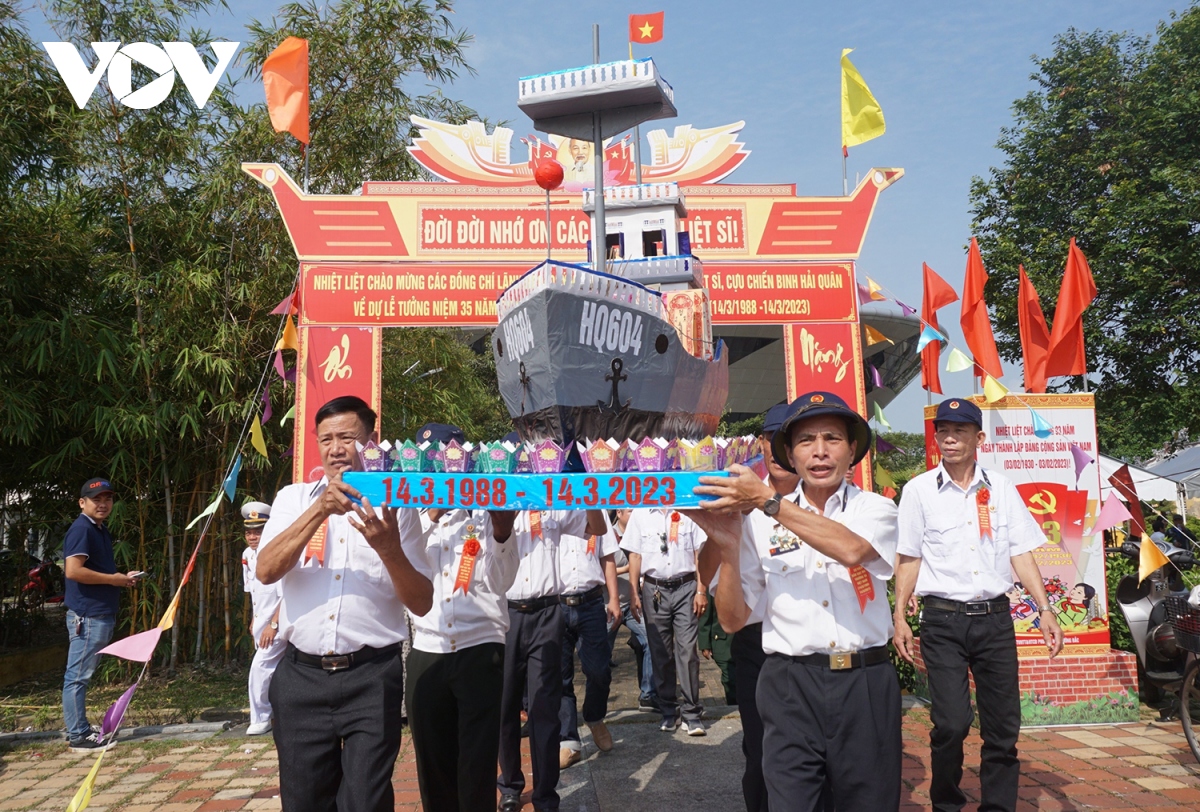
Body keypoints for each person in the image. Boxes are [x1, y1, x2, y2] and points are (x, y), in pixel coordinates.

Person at [690, 391, 904, 811]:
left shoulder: (876, 509)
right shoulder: (759, 522)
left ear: (852, 449)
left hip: (865, 684)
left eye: (832, 439)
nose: (820, 452)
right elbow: (733, 620)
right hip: (789, 686)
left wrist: (767, 503)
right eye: (806, 441)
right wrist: (730, 549)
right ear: (789, 452)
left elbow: (851, 550)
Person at [256, 396, 434, 812]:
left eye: (348, 437)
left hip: (372, 678)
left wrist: (390, 549)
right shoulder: (292, 499)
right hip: (301, 679)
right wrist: (319, 510)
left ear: (371, 441)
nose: (337, 448)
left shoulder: (398, 506)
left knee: (366, 802)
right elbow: (265, 570)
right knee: (303, 802)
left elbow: (422, 603)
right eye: (327, 439)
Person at [893, 397, 1064, 812]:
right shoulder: (918, 491)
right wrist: (899, 614)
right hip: (942, 621)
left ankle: (998, 807)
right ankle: (947, 802)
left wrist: (1045, 609)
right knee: (951, 724)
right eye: (943, 432)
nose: (949, 440)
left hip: (995, 621)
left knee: (1003, 727)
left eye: (960, 431)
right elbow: (909, 556)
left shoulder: (1001, 488)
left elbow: (1021, 553)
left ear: (979, 437)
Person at [404, 422, 519, 812]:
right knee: (433, 767)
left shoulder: (488, 511)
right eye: (433, 463)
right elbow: (402, 568)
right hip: (427, 646)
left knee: (477, 765)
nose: (441, 470)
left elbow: (503, 582)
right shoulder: (411, 515)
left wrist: (503, 533)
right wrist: (433, 512)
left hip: (480, 647)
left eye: (448, 459)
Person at [697, 402, 797, 812]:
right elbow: (704, 571)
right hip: (756, 646)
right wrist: (717, 533)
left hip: (806, 646)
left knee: (810, 757)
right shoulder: (738, 497)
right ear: (762, 442)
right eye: (771, 438)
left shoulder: (818, 506)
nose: (778, 449)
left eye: (788, 439)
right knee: (760, 754)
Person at [498, 507, 606, 812]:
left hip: (547, 613)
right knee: (505, 704)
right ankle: (510, 785)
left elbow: (595, 527)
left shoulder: (554, 501)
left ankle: (546, 793)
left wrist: (590, 487)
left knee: (545, 706)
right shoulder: (495, 496)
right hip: (504, 613)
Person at [62, 478, 139, 752]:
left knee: (81, 675)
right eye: (96, 499)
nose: (103, 504)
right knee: (78, 677)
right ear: (82, 503)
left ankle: (78, 727)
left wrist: (121, 578)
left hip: (97, 614)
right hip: (88, 616)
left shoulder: (98, 529)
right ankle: (78, 736)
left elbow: (95, 569)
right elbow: (72, 571)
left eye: (107, 499)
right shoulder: (82, 529)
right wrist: (112, 580)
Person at [625, 508, 708, 736]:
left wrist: (701, 590)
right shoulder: (640, 513)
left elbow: (699, 552)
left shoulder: (688, 510)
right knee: (660, 652)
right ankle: (669, 710)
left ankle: (692, 713)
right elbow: (635, 555)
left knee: (688, 651)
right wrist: (634, 593)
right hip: (654, 589)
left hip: (686, 587)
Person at [557, 521, 621, 769]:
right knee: (560, 676)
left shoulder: (595, 506)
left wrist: (614, 598)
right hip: (556, 605)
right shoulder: (549, 508)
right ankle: (569, 741)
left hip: (591, 603)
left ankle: (594, 717)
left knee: (599, 669)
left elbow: (608, 557)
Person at [607, 509, 658, 713]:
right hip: (609, 606)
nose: (634, 513)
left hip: (632, 604)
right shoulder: (605, 535)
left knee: (652, 641)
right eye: (630, 510)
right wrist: (627, 569)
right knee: (598, 657)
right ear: (619, 513)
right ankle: (598, 702)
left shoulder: (642, 533)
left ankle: (647, 695)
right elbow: (597, 571)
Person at [240, 500, 283, 736]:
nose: (252, 537)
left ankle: (261, 717)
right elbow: (254, 593)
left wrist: (273, 625)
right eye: (249, 532)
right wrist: (254, 620)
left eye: (258, 531)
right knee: (277, 670)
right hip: (262, 623)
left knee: (260, 668)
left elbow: (287, 596)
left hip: (279, 623)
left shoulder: (278, 553)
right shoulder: (248, 555)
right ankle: (279, 713)